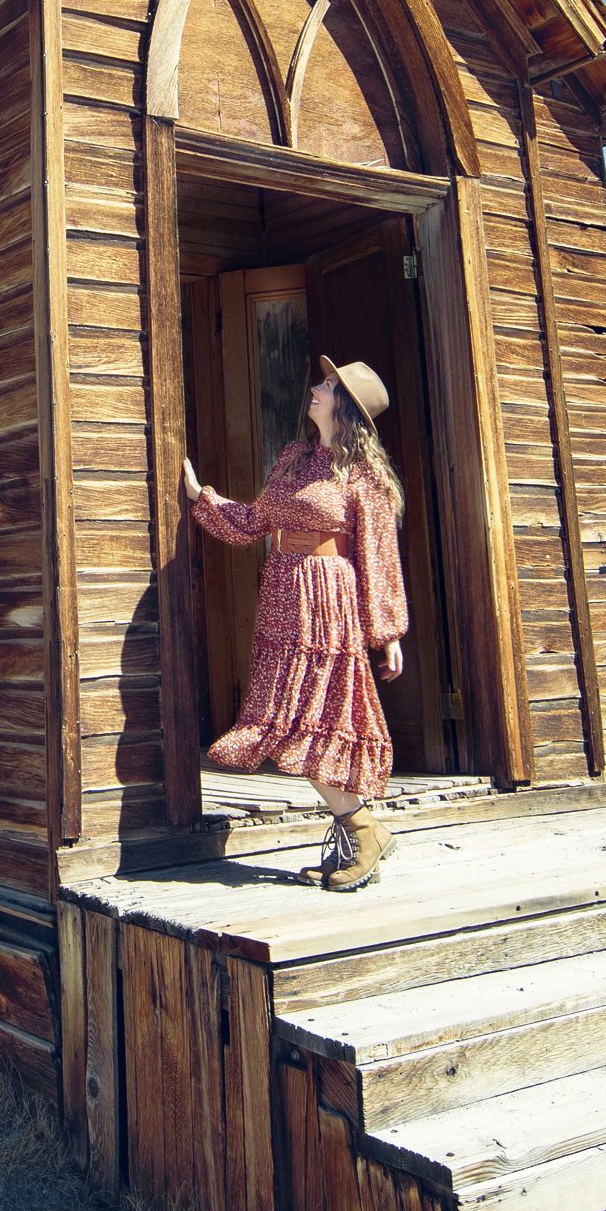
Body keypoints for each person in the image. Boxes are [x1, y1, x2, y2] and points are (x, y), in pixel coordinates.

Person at [182, 356, 409, 891]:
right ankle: (361, 833)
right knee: (288, 722)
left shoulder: (363, 476)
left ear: (345, 408)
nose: (315, 387)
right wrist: (202, 498)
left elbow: (379, 553)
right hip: (284, 598)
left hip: (329, 604)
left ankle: (362, 830)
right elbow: (258, 520)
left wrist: (389, 630)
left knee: (312, 720)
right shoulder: (293, 457)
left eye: (328, 386)